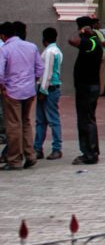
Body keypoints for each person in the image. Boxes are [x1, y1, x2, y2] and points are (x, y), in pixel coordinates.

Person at [0, 21, 43, 170]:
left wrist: (3, 87)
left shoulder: (5, 49)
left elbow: (0, 73)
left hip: (12, 92)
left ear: (3, 36)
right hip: (29, 91)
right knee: (26, 122)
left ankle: (14, 159)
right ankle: (30, 155)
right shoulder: (31, 46)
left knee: (13, 126)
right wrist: (31, 81)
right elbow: (39, 69)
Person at [68, 15, 104, 164]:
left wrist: (82, 31)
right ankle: (93, 150)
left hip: (87, 87)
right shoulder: (94, 41)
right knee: (89, 119)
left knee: (85, 120)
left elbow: (71, 40)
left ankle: (89, 154)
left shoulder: (91, 43)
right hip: (90, 86)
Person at [33, 27, 63, 160]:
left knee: (51, 120)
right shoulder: (56, 50)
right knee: (42, 120)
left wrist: (43, 90)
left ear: (44, 38)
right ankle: (37, 147)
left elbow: (47, 73)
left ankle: (56, 148)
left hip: (49, 88)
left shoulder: (50, 52)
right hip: (50, 87)